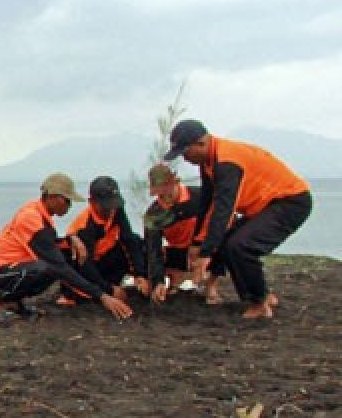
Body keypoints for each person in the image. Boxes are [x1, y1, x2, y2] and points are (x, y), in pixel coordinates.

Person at [165, 119, 313, 318]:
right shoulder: (209, 161)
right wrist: (197, 243)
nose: (184, 158)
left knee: (241, 245)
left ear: (201, 143)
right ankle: (263, 295)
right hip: (265, 205)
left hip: (290, 201)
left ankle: (259, 304)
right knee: (226, 244)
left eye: (185, 152)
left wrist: (206, 253)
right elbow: (207, 204)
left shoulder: (227, 163)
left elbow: (223, 211)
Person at [0, 173, 134, 323]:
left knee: (66, 256)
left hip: (15, 269)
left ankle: (13, 302)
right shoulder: (31, 218)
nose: (69, 206)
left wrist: (71, 239)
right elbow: (57, 263)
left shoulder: (42, 216)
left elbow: (50, 246)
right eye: (67, 200)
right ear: (53, 197)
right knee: (45, 268)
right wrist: (102, 295)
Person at [55, 176, 145, 305]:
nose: (111, 210)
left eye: (113, 204)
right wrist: (109, 290)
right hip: (83, 266)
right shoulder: (85, 227)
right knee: (84, 289)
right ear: (92, 202)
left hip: (105, 258)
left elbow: (128, 238)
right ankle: (73, 294)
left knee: (136, 241)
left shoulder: (116, 209)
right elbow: (86, 265)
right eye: (106, 206)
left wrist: (139, 274)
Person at [142, 163, 205, 303]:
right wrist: (158, 281)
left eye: (168, 192)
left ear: (177, 183)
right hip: (178, 251)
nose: (165, 197)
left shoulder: (200, 196)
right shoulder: (153, 214)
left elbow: (219, 223)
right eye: (160, 194)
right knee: (146, 250)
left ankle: (211, 284)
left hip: (204, 248)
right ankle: (171, 283)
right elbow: (154, 250)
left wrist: (202, 248)